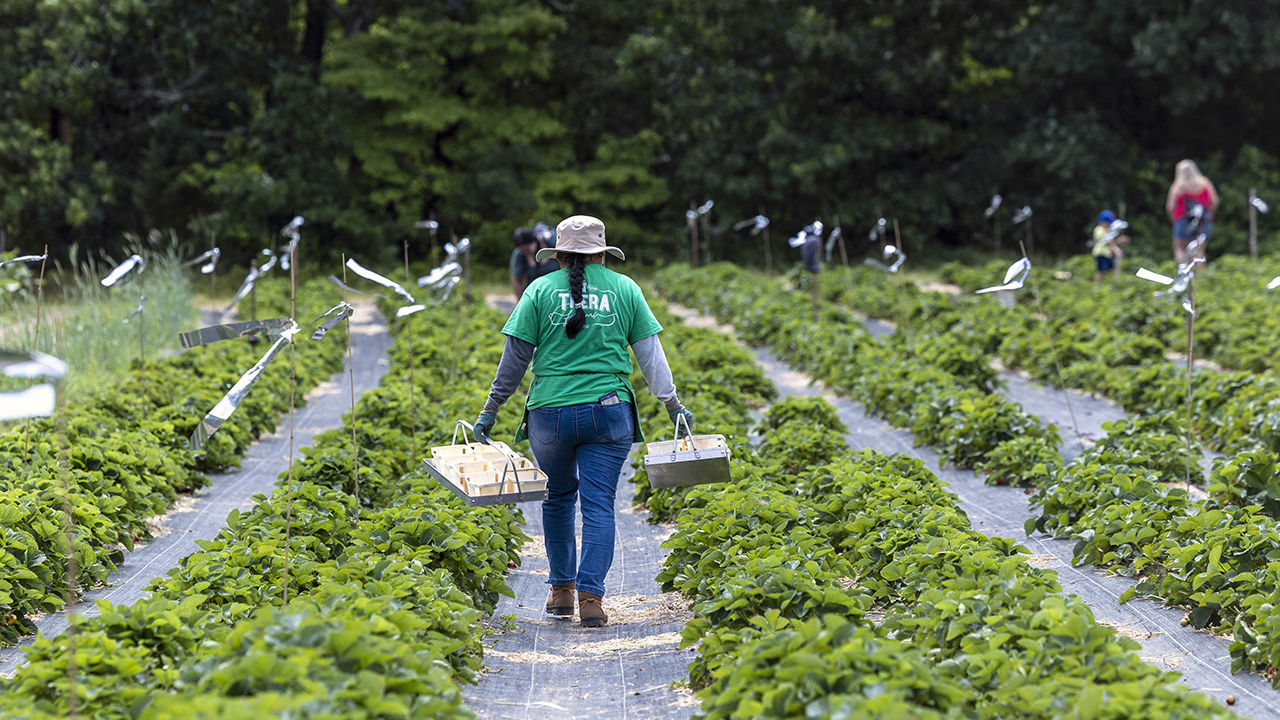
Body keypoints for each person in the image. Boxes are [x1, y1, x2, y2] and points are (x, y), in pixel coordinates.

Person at [474, 215, 693, 628]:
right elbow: (650, 355)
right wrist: (673, 405)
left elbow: (515, 358)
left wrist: (490, 409)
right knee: (598, 505)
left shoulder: (538, 289)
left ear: (557, 254)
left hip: (549, 412)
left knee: (557, 500)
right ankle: (591, 599)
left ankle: (560, 593)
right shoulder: (625, 288)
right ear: (602, 253)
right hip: (608, 410)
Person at [1165, 160, 1218, 263]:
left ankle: (1183, 274)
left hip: (1182, 220)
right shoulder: (1205, 183)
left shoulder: (1178, 187)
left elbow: (1170, 206)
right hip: (1202, 221)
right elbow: (1214, 201)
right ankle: (1200, 277)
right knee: (1198, 252)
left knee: (1180, 250)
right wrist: (1209, 215)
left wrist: (1172, 219)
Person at [509, 222, 559, 300]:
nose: (525, 252)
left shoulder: (553, 244)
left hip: (557, 292)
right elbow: (516, 280)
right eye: (522, 250)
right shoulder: (519, 255)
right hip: (535, 296)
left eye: (527, 249)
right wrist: (521, 302)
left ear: (535, 241)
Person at [1091, 210, 1129, 283]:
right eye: (1108, 223)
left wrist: (1121, 240)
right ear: (1102, 222)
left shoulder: (1107, 231)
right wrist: (1116, 250)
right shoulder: (1099, 230)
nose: (1109, 224)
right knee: (1101, 271)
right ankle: (1096, 286)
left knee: (1114, 268)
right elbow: (1107, 243)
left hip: (1107, 254)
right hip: (1101, 253)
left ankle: (1115, 284)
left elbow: (1111, 241)